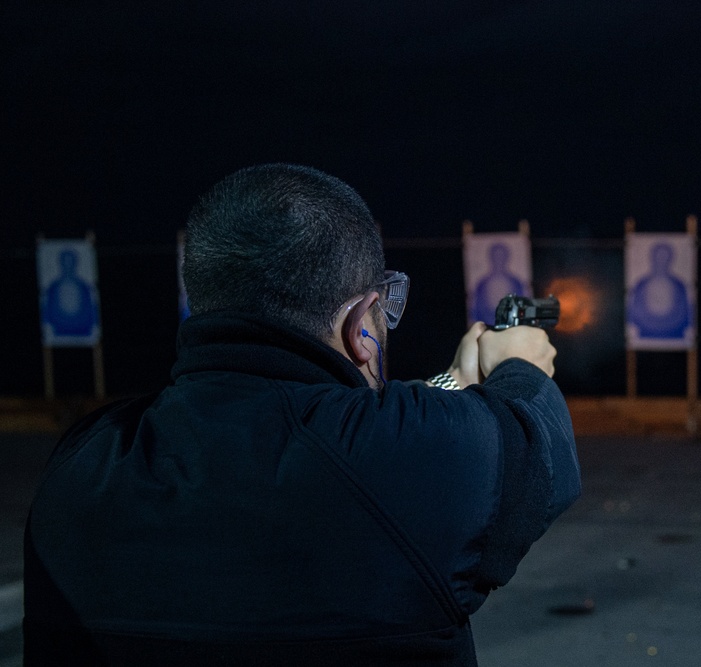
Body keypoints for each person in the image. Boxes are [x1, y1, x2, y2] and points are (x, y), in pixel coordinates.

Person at [23, 164, 581, 666]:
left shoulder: (81, 461)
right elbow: (538, 440)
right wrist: (518, 362)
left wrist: (454, 383)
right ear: (361, 324)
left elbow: (345, 431)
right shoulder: (411, 457)